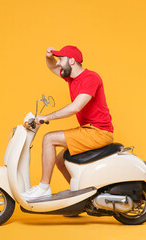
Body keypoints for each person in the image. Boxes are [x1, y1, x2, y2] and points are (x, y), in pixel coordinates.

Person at [21, 45, 114, 200]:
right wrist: (49, 56)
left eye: (61, 59)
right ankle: (80, 198)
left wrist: (47, 117)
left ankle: (44, 188)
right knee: (60, 160)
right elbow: (52, 66)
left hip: (99, 132)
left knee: (49, 139)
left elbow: (75, 107)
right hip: (88, 129)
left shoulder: (91, 78)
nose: (58, 63)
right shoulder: (71, 78)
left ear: (71, 61)